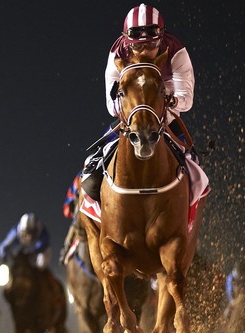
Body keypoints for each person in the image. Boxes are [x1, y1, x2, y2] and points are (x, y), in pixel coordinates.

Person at [82, 3, 196, 202]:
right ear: (127, 42)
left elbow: (186, 100)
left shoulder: (177, 52)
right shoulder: (117, 52)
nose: (144, 52)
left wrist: (164, 102)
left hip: (163, 107)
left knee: (193, 160)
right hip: (131, 112)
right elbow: (111, 105)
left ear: (161, 38)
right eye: (137, 46)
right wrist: (133, 110)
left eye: (151, 45)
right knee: (94, 163)